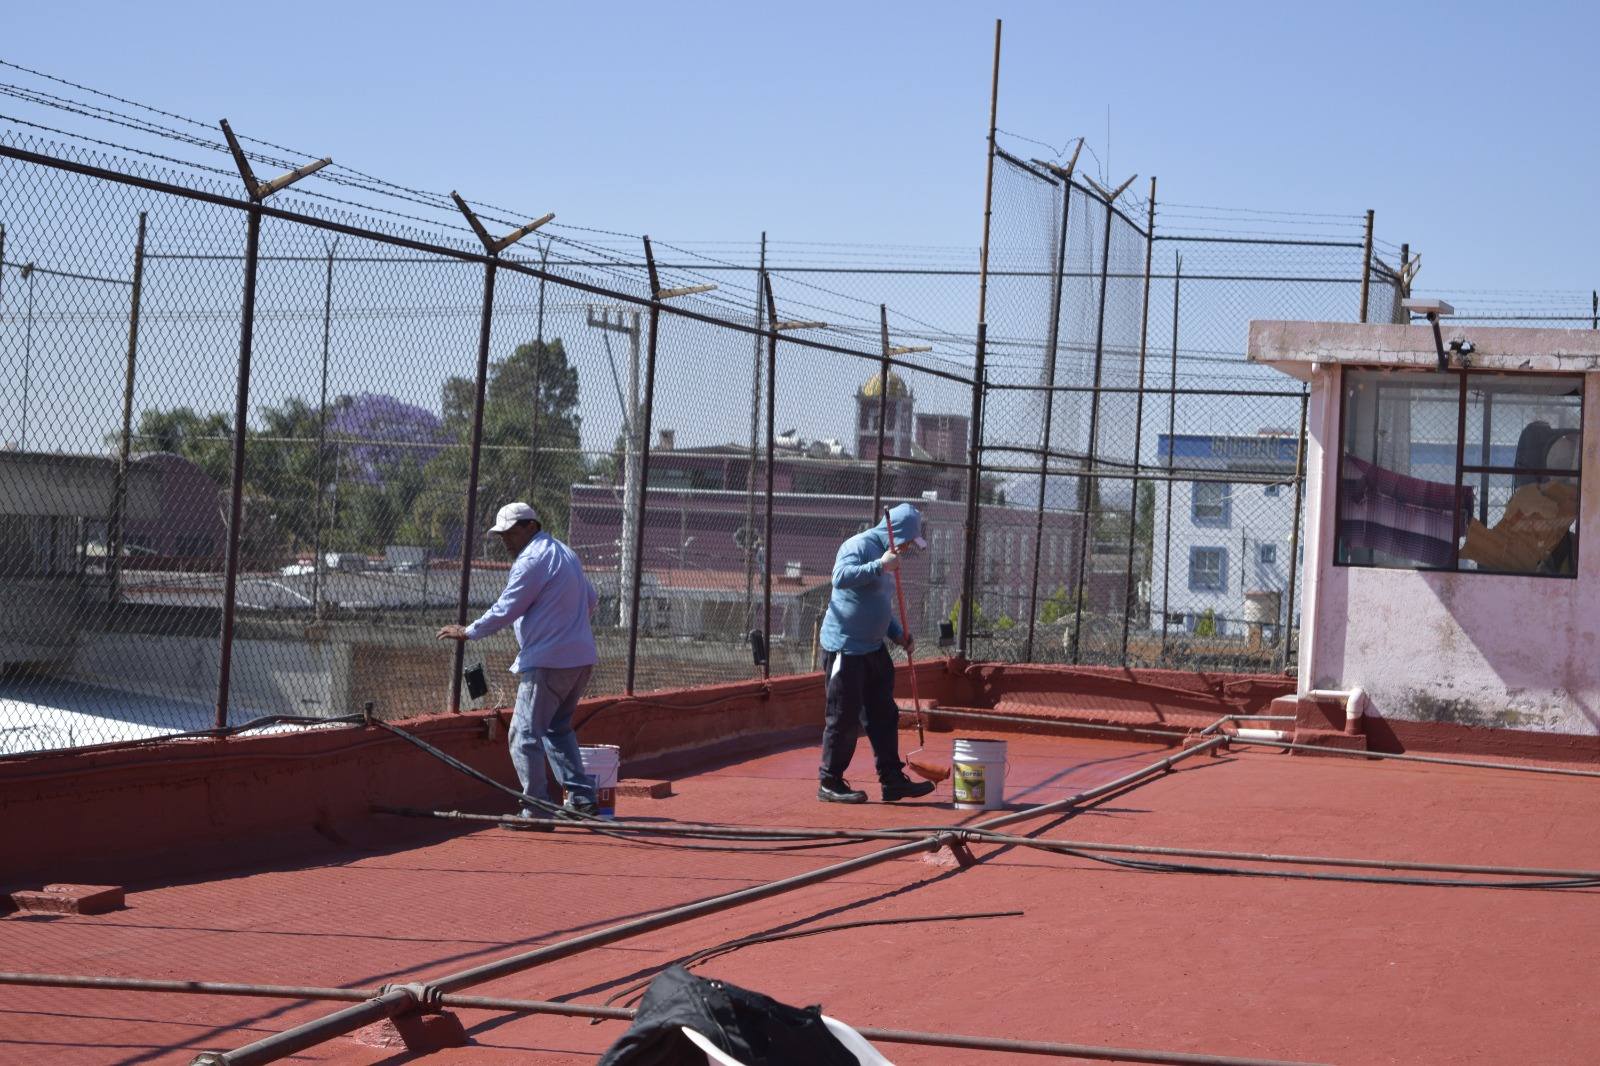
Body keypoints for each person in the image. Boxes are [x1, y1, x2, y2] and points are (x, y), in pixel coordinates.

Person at [437, 501, 600, 822]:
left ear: (531, 526)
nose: (506, 540)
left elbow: (507, 606)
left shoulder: (532, 560)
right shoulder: (564, 552)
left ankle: (536, 809)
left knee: (523, 734)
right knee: (557, 729)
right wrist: (567, 626)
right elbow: (591, 600)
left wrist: (469, 631)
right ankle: (581, 800)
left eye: (511, 533)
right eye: (502, 536)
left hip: (549, 661)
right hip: (579, 659)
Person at [815, 502, 937, 804]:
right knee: (843, 716)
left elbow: (880, 603)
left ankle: (891, 779)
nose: (909, 548)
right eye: (908, 541)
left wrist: (897, 634)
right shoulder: (857, 546)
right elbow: (840, 578)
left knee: (884, 713)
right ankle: (829, 781)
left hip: (873, 648)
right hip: (846, 648)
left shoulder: (891, 558)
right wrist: (879, 566)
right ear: (894, 533)